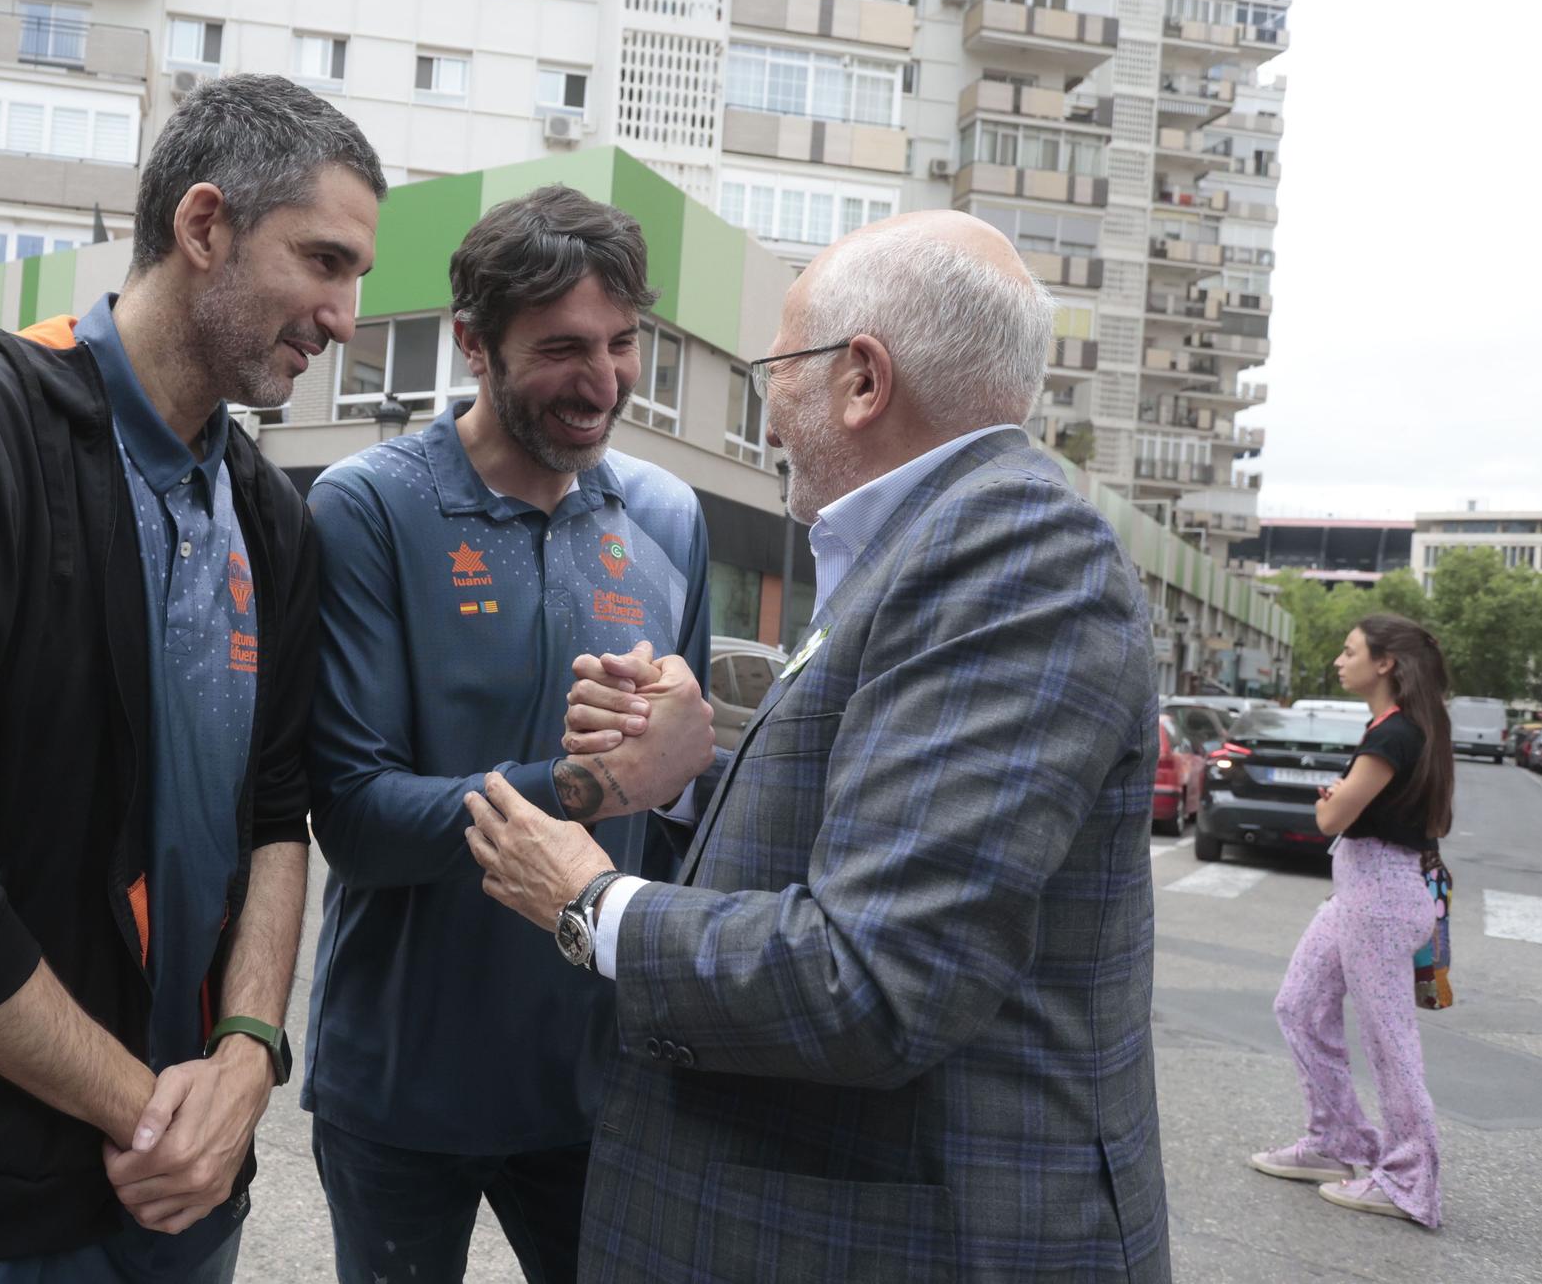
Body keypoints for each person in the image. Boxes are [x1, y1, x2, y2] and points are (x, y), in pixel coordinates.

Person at [465, 210, 1172, 1281]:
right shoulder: (919, 543)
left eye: (777, 369)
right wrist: (687, 775)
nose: (769, 411)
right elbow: (870, 826)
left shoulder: (1010, 552)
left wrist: (590, 903)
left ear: (861, 381)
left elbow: (871, 979)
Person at [0, 74, 385, 1281]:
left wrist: (250, 1052)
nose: (346, 314)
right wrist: (151, 1114)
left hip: (177, 1208)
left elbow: (275, 814)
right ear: (203, 228)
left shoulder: (270, 516)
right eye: (323, 260)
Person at [303, 184, 714, 1284]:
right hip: (399, 1083)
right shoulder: (365, 509)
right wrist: (586, 785)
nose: (603, 381)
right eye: (563, 349)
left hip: (600, 1084)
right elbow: (358, 820)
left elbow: (690, 813)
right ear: (471, 345)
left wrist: (675, 784)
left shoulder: (668, 519)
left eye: (623, 344)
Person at [1250, 613, 1452, 1227]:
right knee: (1299, 1005)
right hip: (1363, 890)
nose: (1340, 660)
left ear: (1385, 663)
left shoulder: (1395, 736)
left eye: (1349, 650)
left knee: (1390, 1042)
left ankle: (1411, 1178)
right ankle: (1336, 1142)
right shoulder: (1396, 728)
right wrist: (1340, 803)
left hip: (1381, 898)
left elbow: (1332, 820)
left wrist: (1333, 804)